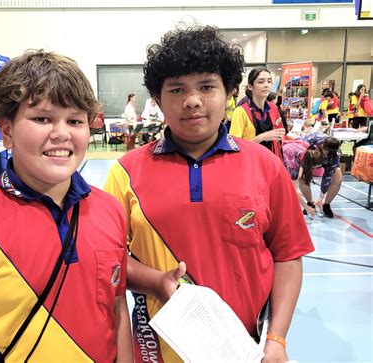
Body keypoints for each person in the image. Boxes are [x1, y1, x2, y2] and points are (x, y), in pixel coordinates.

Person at [104, 25, 314, 363]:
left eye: (206, 87)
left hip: (245, 350)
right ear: (157, 100)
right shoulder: (125, 173)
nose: (192, 100)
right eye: (176, 90)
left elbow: (288, 255)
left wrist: (277, 338)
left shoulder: (266, 166)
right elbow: (109, 262)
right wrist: (157, 281)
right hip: (157, 351)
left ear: (229, 92)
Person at [0, 50, 133, 362]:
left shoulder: (109, 209)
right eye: (42, 118)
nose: (61, 133)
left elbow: (117, 307)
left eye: (74, 120)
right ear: (6, 131)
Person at [229, 67, 286, 159]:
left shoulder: (273, 108)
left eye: (269, 81)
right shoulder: (241, 111)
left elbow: (279, 136)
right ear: (250, 86)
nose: (266, 85)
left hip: (271, 161)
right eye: (261, 82)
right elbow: (234, 146)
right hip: (251, 164)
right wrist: (261, 137)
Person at [295, 134, 342, 218]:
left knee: (338, 173)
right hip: (309, 159)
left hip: (325, 163)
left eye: (329, 152)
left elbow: (327, 176)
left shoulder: (334, 156)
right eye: (325, 150)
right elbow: (298, 146)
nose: (327, 154)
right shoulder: (312, 140)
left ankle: (326, 205)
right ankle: (310, 203)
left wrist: (321, 197)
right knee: (302, 176)